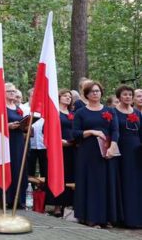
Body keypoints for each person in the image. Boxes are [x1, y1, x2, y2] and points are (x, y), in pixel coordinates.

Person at [72, 81, 119, 228]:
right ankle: (90, 218)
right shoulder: (80, 113)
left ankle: (106, 218)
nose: (95, 93)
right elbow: (75, 133)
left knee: (105, 184)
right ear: (86, 94)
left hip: (105, 153)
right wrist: (92, 132)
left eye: (98, 91)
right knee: (90, 184)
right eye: (92, 91)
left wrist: (113, 147)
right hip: (87, 153)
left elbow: (115, 131)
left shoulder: (110, 111)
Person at [112, 85, 142, 228]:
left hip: (136, 151)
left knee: (136, 183)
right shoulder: (113, 112)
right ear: (119, 96)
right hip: (121, 150)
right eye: (125, 94)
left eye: (130, 94)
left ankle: (136, 218)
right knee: (123, 181)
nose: (128, 97)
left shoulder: (137, 112)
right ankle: (122, 218)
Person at [49, 89, 76, 217]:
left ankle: (68, 205)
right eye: (65, 96)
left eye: (69, 97)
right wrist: (58, 141)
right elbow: (47, 130)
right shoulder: (55, 112)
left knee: (70, 176)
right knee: (58, 175)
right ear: (59, 97)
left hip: (72, 148)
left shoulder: (72, 113)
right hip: (58, 148)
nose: (67, 98)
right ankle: (56, 205)